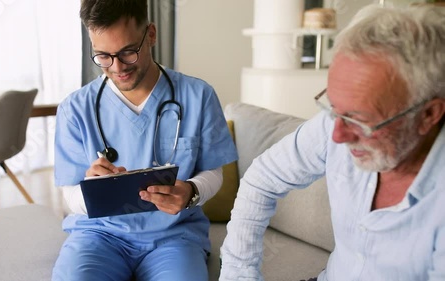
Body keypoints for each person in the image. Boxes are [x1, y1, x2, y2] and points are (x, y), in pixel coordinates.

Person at [220, 4, 445, 281]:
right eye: (334, 108)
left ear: (428, 115)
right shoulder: (336, 124)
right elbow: (261, 179)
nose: (337, 136)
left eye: (361, 121)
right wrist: (238, 275)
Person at [51, 0, 238, 280]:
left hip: (174, 237)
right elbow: (69, 195)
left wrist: (191, 192)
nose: (117, 68)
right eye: (103, 56)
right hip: (99, 235)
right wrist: (91, 191)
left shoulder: (198, 96)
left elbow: (213, 172)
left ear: (151, 34)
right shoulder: (75, 109)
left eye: (128, 52)